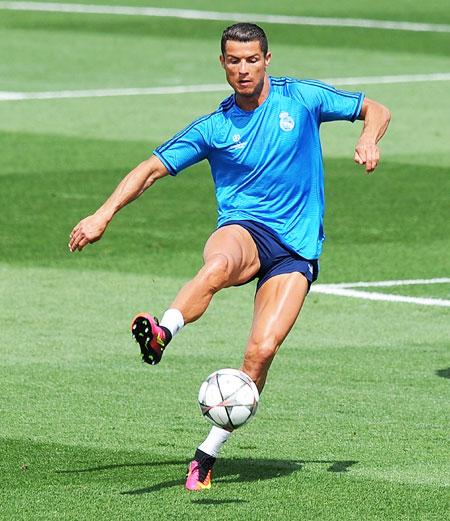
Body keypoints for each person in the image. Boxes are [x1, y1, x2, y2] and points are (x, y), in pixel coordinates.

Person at [69, 23, 391, 491]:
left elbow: (375, 108)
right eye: (234, 61)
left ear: (267, 59)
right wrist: (103, 214)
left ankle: (207, 453)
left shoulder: (300, 98)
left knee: (260, 353)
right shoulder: (214, 127)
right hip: (244, 229)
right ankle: (163, 332)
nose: (243, 69)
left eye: (252, 60)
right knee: (218, 267)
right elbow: (150, 169)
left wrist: (369, 137)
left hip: (296, 247)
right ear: (222, 64)